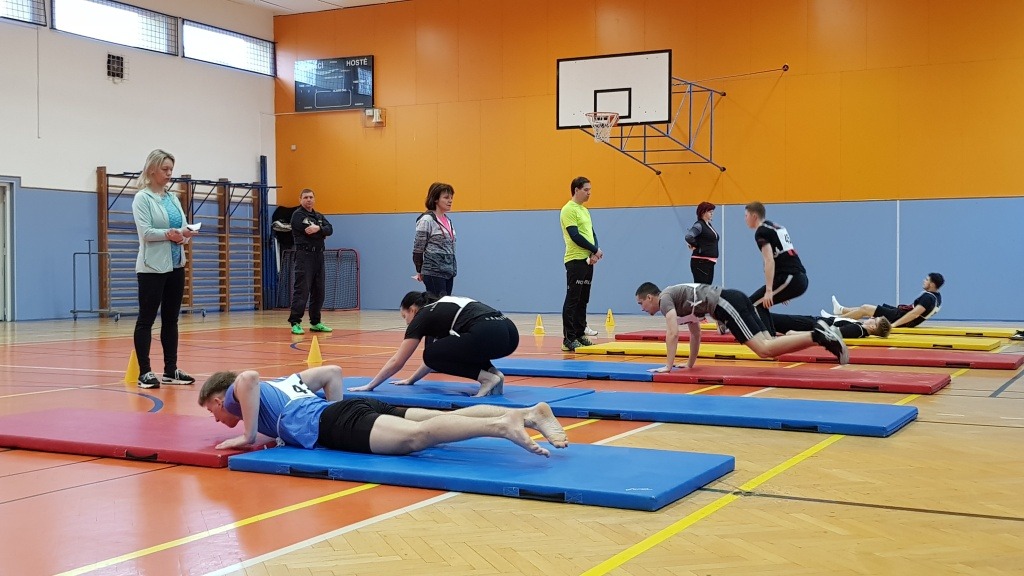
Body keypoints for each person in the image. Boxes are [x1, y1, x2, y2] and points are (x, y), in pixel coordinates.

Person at [199, 365, 568, 457]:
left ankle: (503, 426)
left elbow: (247, 377)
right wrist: (339, 411)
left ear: (218, 399)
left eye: (213, 412)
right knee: (434, 420)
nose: (217, 418)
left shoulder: (234, 397)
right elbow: (332, 372)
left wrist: (247, 436)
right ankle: (529, 413)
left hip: (333, 420)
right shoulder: (284, 382)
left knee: (416, 438)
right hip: (349, 410)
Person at [635, 282, 849, 369]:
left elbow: (672, 333)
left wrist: (668, 367)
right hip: (733, 299)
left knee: (764, 350)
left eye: (641, 303)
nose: (642, 308)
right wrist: (689, 365)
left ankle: (817, 335)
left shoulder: (665, 300)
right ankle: (818, 335)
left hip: (726, 304)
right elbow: (695, 333)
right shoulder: (677, 300)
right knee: (770, 345)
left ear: (650, 297)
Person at [348, 292, 519, 397]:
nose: (406, 322)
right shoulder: (442, 306)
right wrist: (411, 380)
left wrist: (371, 385)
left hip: (487, 332)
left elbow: (399, 361)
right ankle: (494, 373)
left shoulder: (422, 316)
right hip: (509, 334)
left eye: (404, 316)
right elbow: (438, 357)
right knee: (454, 348)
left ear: (412, 309)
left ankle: (486, 378)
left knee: (431, 354)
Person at [131, 149, 197, 389]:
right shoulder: (142, 198)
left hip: (175, 265)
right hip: (152, 268)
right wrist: (169, 234)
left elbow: (183, 228)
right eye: (165, 169)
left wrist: (185, 235)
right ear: (152, 169)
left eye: (171, 169)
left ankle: (171, 369)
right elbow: (146, 232)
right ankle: (145, 372)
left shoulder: (173, 198)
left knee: (171, 319)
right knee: (146, 319)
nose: (169, 173)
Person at [744, 201, 808, 335]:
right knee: (761, 304)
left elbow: (769, 261)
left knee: (753, 304)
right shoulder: (774, 226)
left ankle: (769, 340)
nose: (745, 219)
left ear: (754, 216)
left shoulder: (761, 232)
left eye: (746, 216)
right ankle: (771, 336)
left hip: (791, 277)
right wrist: (782, 288)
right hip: (795, 278)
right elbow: (783, 255)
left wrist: (769, 290)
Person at [560, 176, 602, 352]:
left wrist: (594, 251)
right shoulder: (568, 210)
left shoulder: (585, 210)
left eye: (590, 190)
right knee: (573, 298)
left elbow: (591, 234)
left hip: (588, 260)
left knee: (583, 299)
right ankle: (568, 338)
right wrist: (594, 249)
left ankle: (579, 334)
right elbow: (575, 236)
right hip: (575, 260)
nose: (589, 193)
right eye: (586, 190)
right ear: (576, 190)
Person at [288, 188, 334, 335]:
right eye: (306, 197)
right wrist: (321, 232)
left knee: (319, 290)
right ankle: (295, 322)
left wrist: (318, 229)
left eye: (311, 197)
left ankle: (315, 322)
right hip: (304, 256)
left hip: (318, 256)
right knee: (302, 290)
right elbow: (310, 232)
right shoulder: (298, 215)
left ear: (314, 199)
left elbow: (330, 229)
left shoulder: (318, 216)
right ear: (300, 199)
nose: (308, 200)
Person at [830, 273, 944, 329]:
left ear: (932, 284)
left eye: (926, 280)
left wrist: (894, 325)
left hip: (899, 317)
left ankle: (834, 320)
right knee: (867, 309)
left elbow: (914, 314)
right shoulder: (937, 297)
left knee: (865, 308)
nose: (924, 281)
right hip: (900, 313)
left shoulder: (928, 298)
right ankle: (841, 310)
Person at [413, 182, 457, 297]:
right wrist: (420, 270)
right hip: (433, 271)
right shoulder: (427, 220)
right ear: (436, 199)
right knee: (437, 304)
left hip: (448, 271)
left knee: (446, 304)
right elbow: (418, 249)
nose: (450, 201)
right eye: (446, 197)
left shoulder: (448, 220)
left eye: (451, 198)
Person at [771, 312, 892, 340]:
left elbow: (830, 333)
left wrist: (796, 334)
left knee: (773, 319)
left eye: (874, 319)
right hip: (813, 322)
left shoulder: (857, 329)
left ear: (873, 327)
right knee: (773, 320)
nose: (871, 317)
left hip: (809, 325)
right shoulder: (860, 327)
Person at [685, 201, 719, 284]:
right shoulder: (699, 225)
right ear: (703, 212)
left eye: (712, 212)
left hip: (709, 262)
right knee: (702, 289)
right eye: (710, 212)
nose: (712, 213)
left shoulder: (709, 225)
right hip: (701, 262)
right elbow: (689, 236)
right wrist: (698, 246)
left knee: (707, 288)